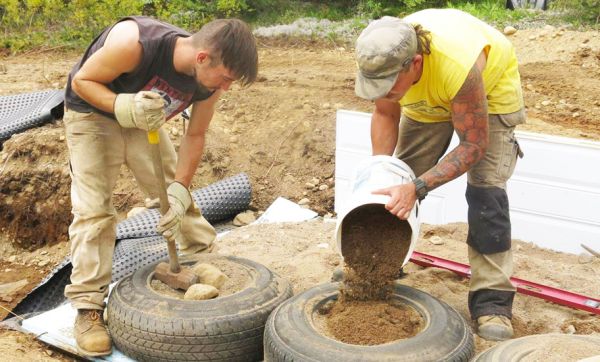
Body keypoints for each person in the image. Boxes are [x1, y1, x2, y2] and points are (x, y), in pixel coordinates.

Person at [63, 16, 258, 356]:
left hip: (144, 124)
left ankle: (202, 262)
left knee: (174, 196)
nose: (225, 87)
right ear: (202, 58)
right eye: (225, 78)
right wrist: (122, 105)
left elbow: (195, 135)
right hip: (92, 116)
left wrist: (180, 190)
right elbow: (82, 81)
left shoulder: (208, 84)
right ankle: (88, 309)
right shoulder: (135, 43)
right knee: (94, 211)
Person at [354, 9, 525, 341]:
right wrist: (383, 174)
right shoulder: (379, 56)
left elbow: (473, 144)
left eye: (389, 85)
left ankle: (493, 301)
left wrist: (417, 187)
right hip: (428, 95)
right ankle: (379, 267)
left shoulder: (457, 64)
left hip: (487, 93)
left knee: (486, 194)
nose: (384, 90)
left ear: (415, 63)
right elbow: (384, 111)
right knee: (395, 186)